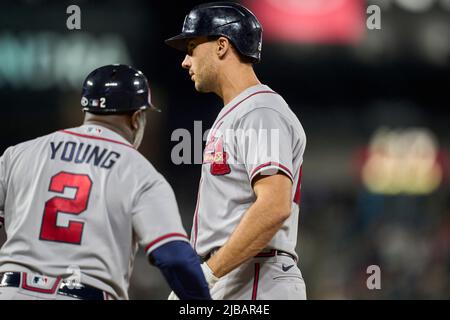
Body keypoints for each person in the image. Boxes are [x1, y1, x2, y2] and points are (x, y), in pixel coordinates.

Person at [0, 64, 211, 300]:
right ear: (136, 117)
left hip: (11, 290)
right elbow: (174, 257)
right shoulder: (140, 173)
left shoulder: (18, 154)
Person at [165, 2, 307, 300]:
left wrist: (205, 275)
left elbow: (274, 205)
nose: (185, 61)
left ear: (221, 46)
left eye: (192, 47)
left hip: (256, 278)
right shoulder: (239, 112)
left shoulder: (261, 109)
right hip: (239, 274)